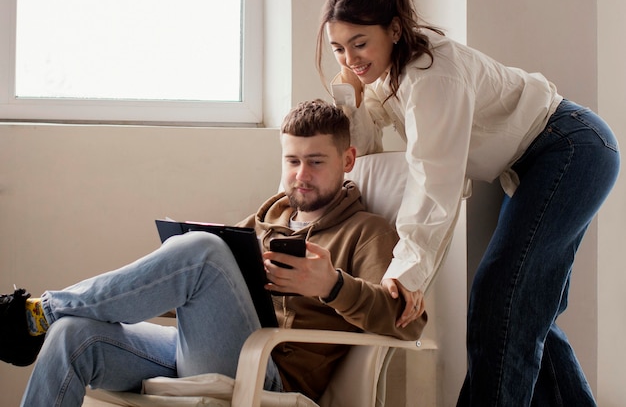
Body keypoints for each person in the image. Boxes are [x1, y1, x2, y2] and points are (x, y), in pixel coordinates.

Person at [316, 0, 620, 407]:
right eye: (339, 49)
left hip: (572, 148)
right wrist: (349, 93)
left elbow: (433, 177)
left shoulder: (431, 74)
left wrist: (408, 271)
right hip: (547, 159)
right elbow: (361, 151)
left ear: (395, 29)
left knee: (501, 296)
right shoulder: (384, 79)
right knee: (527, 309)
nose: (350, 59)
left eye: (360, 43)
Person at [0, 99, 426, 407]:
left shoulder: (367, 232)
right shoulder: (264, 219)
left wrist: (331, 286)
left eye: (316, 162)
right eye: (292, 161)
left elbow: (408, 324)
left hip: (270, 370)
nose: (301, 176)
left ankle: (42, 311)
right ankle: (50, 318)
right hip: (213, 349)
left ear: (348, 159)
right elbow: (194, 293)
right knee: (73, 336)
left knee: (204, 250)